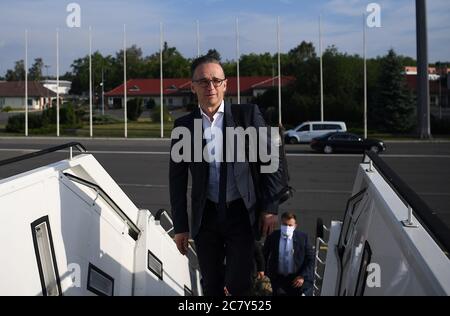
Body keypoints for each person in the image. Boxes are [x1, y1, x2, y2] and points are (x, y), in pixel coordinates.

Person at [169, 55, 285, 296]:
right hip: (206, 216)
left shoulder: (247, 116)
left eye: (215, 80)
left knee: (239, 284)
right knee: (211, 284)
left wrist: (271, 207)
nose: (210, 86)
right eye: (202, 81)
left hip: (241, 213)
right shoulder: (184, 126)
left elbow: (272, 161)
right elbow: (177, 180)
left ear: (225, 84)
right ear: (192, 87)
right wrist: (180, 226)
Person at [263, 212, 314, 296]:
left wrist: (302, 276)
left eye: (290, 225)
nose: (287, 227)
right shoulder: (273, 236)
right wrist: (264, 274)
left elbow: (310, 259)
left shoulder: (303, 238)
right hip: (278, 279)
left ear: (295, 226)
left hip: (297, 278)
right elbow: (264, 255)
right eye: (285, 224)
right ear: (281, 224)